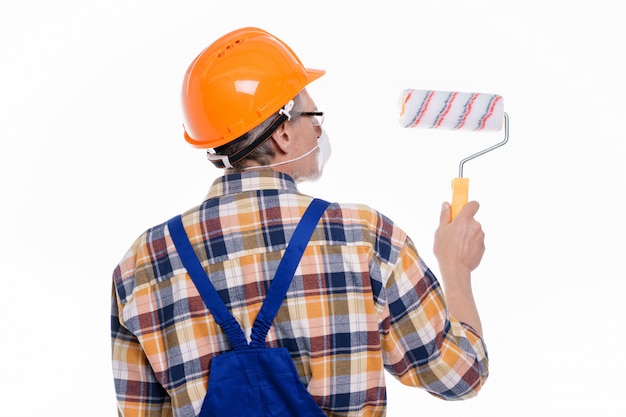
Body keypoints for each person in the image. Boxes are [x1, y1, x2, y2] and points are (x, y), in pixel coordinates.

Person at [111, 27, 489, 417]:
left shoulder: (141, 265)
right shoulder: (364, 238)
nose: (320, 128)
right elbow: (462, 373)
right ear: (284, 134)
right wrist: (456, 267)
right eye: (313, 115)